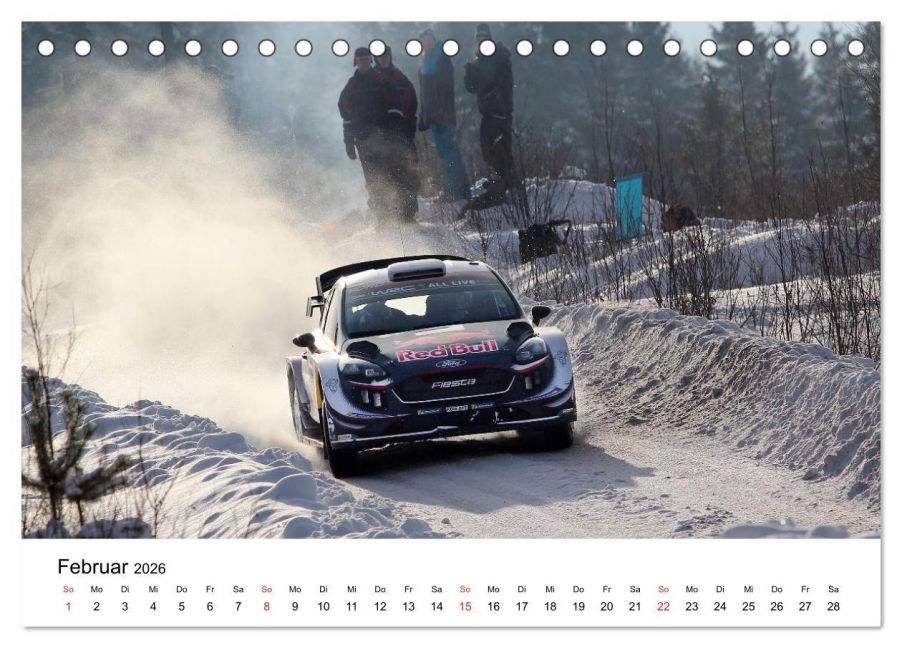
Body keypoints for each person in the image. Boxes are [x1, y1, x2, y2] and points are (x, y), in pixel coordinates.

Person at [338, 47, 394, 221]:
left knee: (388, 173)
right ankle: (380, 214)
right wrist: (348, 142)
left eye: (366, 60)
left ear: (370, 60)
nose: (363, 63)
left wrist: (395, 133)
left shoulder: (381, 80)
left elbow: (394, 107)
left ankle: (394, 211)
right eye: (360, 60)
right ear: (356, 62)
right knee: (372, 178)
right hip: (363, 139)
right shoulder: (351, 86)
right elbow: (346, 118)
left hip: (384, 137)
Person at [464, 23, 516, 203]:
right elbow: (472, 88)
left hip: (500, 113)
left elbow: (501, 82)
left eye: (484, 37)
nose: (481, 40)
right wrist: (469, 73)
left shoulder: (499, 56)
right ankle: (502, 183)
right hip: (487, 113)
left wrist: (491, 89)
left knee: (500, 151)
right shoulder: (479, 60)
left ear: (490, 38)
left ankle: (508, 185)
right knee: (488, 151)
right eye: (479, 38)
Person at [418, 28, 470, 202]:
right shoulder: (425, 61)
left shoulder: (441, 58)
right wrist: (423, 116)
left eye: (429, 39)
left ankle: (454, 192)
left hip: (443, 117)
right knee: (449, 152)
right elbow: (425, 93)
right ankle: (462, 190)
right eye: (424, 41)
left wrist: (441, 114)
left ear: (434, 39)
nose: (427, 43)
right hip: (434, 117)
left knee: (448, 153)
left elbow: (446, 89)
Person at [375, 45, 420, 221]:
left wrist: (408, 128)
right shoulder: (371, 79)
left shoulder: (400, 78)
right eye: (381, 57)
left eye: (386, 56)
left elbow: (412, 104)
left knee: (408, 171)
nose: (384, 59)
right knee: (382, 174)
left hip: (402, 133)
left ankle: (409, 212)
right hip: (379, 136)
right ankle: (384, 214)